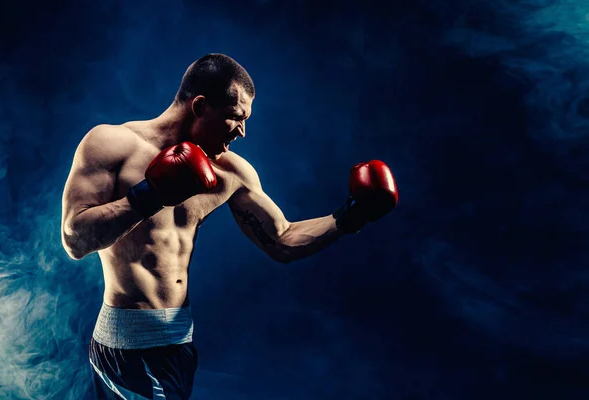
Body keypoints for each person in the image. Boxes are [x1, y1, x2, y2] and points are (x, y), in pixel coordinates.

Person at [60, 53, 398, 399]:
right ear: (200, 106)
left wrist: (351, 216)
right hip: (126, 346)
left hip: (178, 344)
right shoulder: (111, 144)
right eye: (235, 118)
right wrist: (150, 195)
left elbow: (281, 240)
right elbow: (75, 240)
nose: (242, 131)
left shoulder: (232, 172)